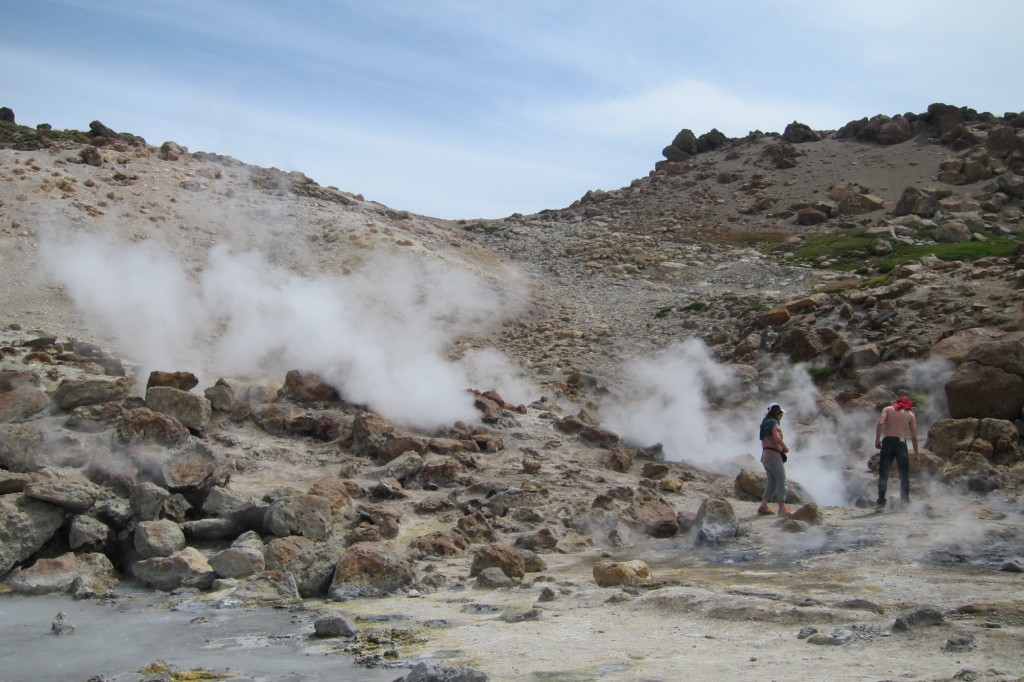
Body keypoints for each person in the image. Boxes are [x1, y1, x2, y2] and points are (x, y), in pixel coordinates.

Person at [874, 395, 920, 508]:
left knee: (884, 473)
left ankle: (881, 501)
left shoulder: (888, 409)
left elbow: (880, 423)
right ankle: (905, 502)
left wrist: (877, 441)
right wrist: (916, 454)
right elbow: (914, 437)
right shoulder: (910, 415)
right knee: (904, 474)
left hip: (888, 441)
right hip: (901, 443)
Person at [757, 403, 791, 517]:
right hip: (774, 455)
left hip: (765, 456)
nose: (781, 416)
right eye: (781, 414)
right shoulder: (774, 423)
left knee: (772, 482)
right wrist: (785, 448)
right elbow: (776, 438)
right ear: (777, 413)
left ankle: (763, 507)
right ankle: (782, 509)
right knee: (781, 481)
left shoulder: (764, 424)